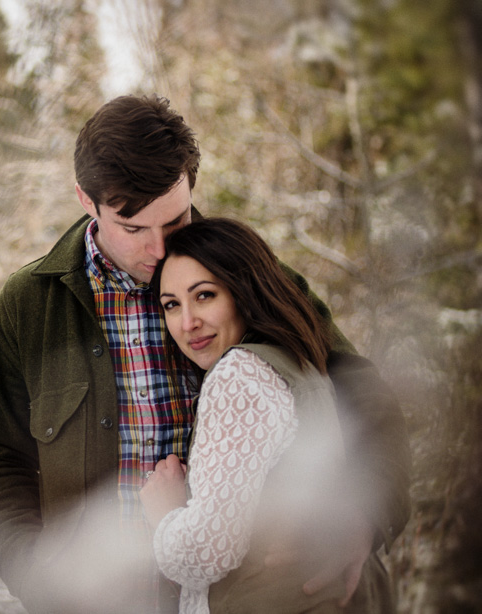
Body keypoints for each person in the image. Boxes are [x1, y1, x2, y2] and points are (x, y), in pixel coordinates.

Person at [0, 94, 410, 613]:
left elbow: (363, 392)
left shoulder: (244, 277)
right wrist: (36, 573)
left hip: (243, 597)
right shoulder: (30, 306)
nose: (158, 249)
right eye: (133, 229)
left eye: (174, 221)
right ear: (87, 200)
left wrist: (363, 520)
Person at [140, 217, 396, 613]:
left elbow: (209, 551)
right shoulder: (298, 360)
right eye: (172, 305)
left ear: (244, 292)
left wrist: (165, 513)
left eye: (204, 296)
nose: (187, 322)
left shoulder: (238, 375)